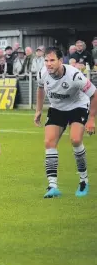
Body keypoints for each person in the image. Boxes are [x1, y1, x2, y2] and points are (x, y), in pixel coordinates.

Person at [34, 47, 96, 198]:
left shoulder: (74, 75)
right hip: (57, 108)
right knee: (49, 142)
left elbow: (94, 94)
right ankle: (52, 187)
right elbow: (41, 89)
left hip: (78, 107)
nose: (48, 64)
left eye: (52, 60)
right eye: (46, 60)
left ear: (61, 61)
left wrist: (92, 119)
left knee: (75, 140)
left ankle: (83, 181)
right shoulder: (42, 73)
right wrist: (38, 110)